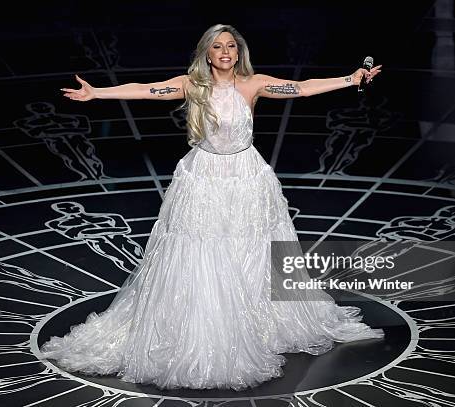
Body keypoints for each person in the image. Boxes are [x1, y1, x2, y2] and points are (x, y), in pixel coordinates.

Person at [40, 23, 384, 390]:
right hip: (201, 178)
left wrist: (351, 78)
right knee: (199, 251)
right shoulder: (192, 84)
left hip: (247, 178)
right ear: (208, 53)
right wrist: (97, 94)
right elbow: (144, 90)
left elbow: (299, 89)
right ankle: (203, 326)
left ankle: (256, 323)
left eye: (231, 46)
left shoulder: (253, 84)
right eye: (218, 46)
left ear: (238, 52)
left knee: (253, 249)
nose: (225, 52)